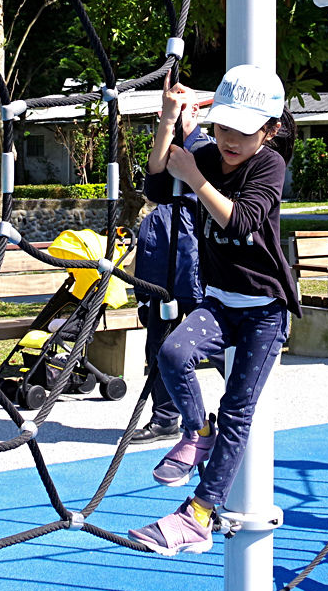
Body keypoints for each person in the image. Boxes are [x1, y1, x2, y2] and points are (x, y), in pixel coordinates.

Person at [127, 64, 300, 556]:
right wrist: (167, 120)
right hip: (221, 302)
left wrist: (197, 178)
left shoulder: (267, 165)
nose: (229, 139)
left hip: (265, 311)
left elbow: (243, 221)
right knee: (173, 353)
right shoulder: (206, 153)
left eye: (244, 132)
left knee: (238, 411)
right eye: (223, 126)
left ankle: (199, 515)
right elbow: (157, 186)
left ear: (268, 131)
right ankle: (197, 431)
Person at [128, 105, 211, 445]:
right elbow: (154, 178)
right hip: (163, 261)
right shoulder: (165, 144)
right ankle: (165, 418)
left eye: (183, 109)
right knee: (158, 341)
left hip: (193, 261)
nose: (176, 117)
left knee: (210, 343)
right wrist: (166, 122)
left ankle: (233, 414)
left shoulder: (207, 149)